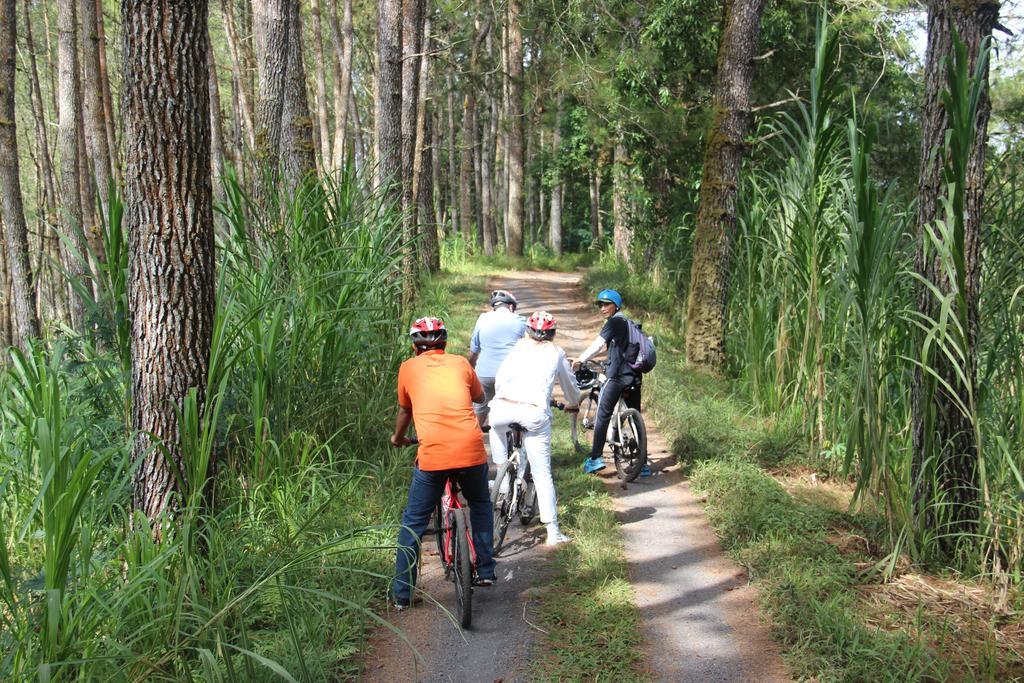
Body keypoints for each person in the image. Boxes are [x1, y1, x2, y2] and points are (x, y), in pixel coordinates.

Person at [389, 317, 497, 610]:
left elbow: (404, 410)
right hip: (471, 451)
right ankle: (486, 570)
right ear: (445, 343)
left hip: (433, 456)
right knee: (481, 504)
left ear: (415, 346)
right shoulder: (461, 363)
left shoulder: (408, 368)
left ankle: (402, 594)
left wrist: (398, 438)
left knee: (413, 523)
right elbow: (478, 396)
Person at [488, 311, 581, 545]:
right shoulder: (556, 353)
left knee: (496, 431)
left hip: (501, 408)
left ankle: (503, 480)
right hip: (533, 412)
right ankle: (553, 532)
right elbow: (571, 389)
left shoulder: (517, 347)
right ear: (552, 333)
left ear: (527, 331)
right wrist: (573, 401)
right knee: (542, 473)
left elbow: (500, 380)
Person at [572, 289, 648, 475]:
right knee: (634, 416)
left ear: (616, 306)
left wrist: (580, 359)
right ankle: (642, 464)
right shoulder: (630, 324)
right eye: (600, 304)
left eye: (607, 304)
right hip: (634, 377)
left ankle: (596, 458)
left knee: (602, 415)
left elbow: (598, 344)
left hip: (617, 378)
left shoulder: (615, 322)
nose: (603, 308)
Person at [468, 290, 527, 426]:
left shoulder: (482, 319)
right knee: (514, 410)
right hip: (510, 375)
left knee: (479, 409)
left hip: (485, 374)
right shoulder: (521, 321)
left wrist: (471, 369)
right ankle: (516, 442)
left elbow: (474, 351)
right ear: (511, 307)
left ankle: (473, 438)